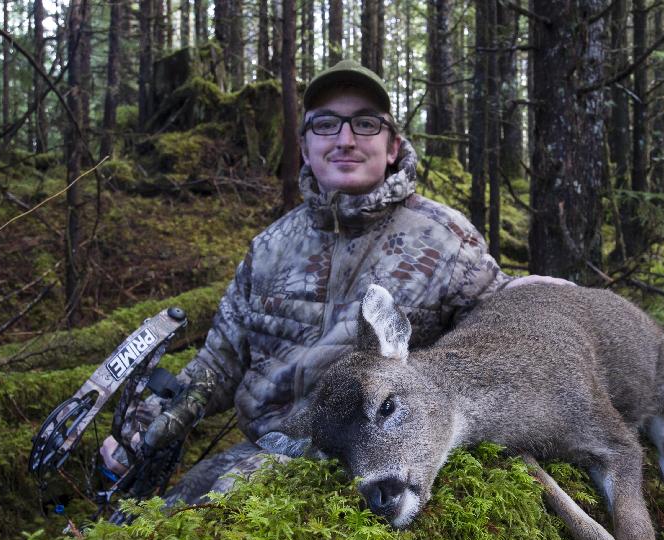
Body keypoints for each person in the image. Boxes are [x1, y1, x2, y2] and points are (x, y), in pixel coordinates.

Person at [101, 60, 567, 501]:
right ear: (305, 147)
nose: (345, 139)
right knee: (161, 511)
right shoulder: (269, 247)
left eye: (366, 123)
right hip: (272, 447)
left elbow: (493, 312)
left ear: (393, 147)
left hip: (376, 452)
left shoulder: (445, 238)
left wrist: (535, 295)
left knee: (212, 526)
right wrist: (150, 422)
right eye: (326, 124)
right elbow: (219, 364)